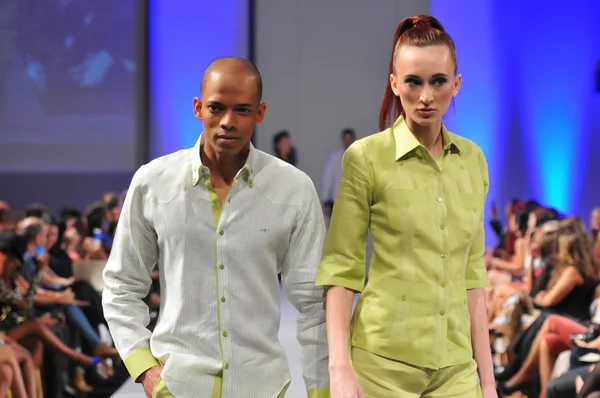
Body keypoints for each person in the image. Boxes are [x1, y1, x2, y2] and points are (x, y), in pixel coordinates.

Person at [102, 57, 329, 398]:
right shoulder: (153, 183)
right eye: (217, 108)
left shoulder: (292, 189)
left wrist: (320, 390)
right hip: (177, 388)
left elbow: (315, 304)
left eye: (242, 110)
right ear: (197, 107)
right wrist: (145, 369)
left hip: (263, 387)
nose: (227, 122)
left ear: (260, 113)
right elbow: (121, 284)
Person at [316, 15, 497, 398]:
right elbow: (341, 270)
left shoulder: (473, 160)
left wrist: (489, 381)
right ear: (395, 83)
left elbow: (473, 275)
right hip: (382, 366)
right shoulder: (366, 158)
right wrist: (340, 370)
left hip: (457, 369)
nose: (426, 96)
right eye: (413, 81)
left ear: (457, 84)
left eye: (438, 81)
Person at [321, 128, 356, 217]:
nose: (348, 142)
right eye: (346, 140)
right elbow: (328, 179)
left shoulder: (359, 157)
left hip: (355, 201)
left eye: (349, 140)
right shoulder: (334, 158)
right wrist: (326, 201)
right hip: (337, 200)